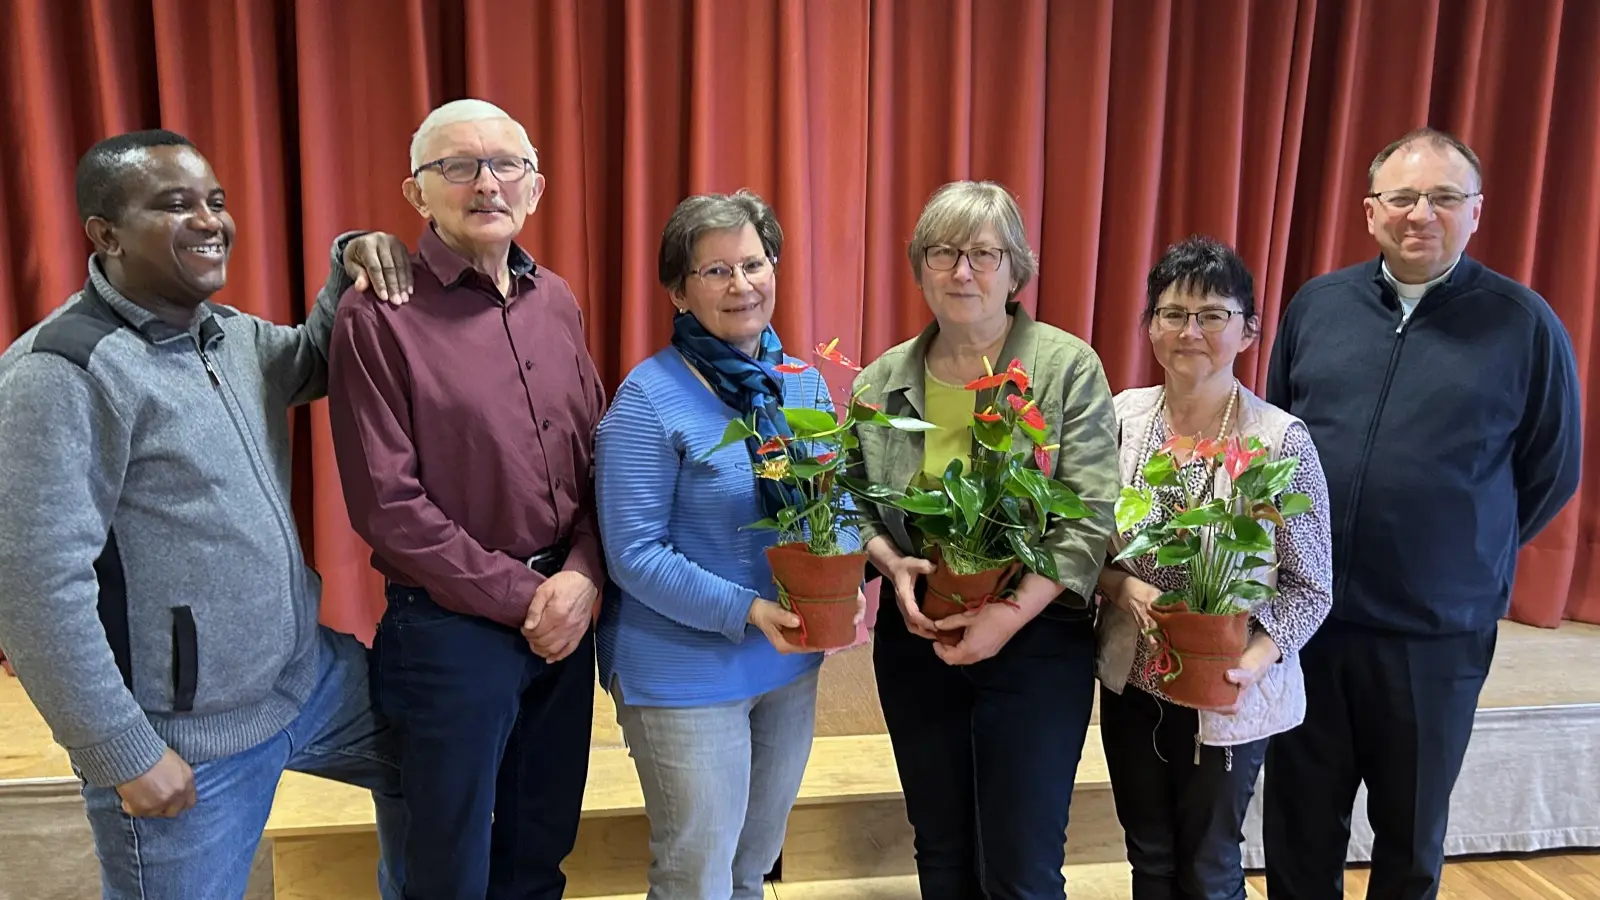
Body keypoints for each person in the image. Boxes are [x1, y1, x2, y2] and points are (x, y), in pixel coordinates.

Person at [0, 128, 414, 899]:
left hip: (307, 683)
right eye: (175, 204)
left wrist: (354, 254)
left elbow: (322, 355)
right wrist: (120, 750)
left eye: (216, 202)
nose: (209, 220)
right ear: (106, 234)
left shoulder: (229, 338)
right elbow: (30, 587)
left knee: (444, 756)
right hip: (181, 737)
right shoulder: (61, 374)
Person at [1263, 127, 1582, 900]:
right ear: (1370, 210)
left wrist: (1462, 553)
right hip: (1311, 624)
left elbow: (1552, 469)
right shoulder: (1317, 306)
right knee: (1298, 829)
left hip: (1435, 637)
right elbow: (1277, 440)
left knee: (1409, 842)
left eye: (1443, 197)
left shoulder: (1524, 323)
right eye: (1403, 197)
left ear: (1476, 212)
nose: (1421, 214)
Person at [326, 98, 606, 900]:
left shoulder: (554, 298)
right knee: (450, 873)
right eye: (457, 167)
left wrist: (583, 575)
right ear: (418, 194)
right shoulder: (375, 314)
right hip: (452, 633)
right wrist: (530, 598)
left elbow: (593, 461)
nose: (485, 184)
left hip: (567, 615)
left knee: (538, 854)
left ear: (535, 187)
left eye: (505, 165)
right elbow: (388, 506)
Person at [850, 180, 1120, 898]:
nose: (961, 271)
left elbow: (1090, 515)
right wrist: (890, 564)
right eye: (942, 253)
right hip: (917, 637)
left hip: (1036, 639)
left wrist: (1006, 615)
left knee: (1023, 867)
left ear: (1016, 269)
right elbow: (853, 503)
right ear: (919, 266)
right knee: (940, 853)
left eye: (982, 253)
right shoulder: (881, 383)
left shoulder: (1064, 370)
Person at [593, 190, 864, 899]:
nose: (741, 285)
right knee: (696, 877)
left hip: (786, 664)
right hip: (683, 674)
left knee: (752, 867)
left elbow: (833, 505)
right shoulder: (647, 400)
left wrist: (848, 584)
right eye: (715, 272)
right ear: (679, 293)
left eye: (753, 263)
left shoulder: (801, 384)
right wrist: (748, 610)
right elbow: (634, 555)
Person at [1094, 237, 1333, 900]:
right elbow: (1085, 546)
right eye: (1172, 314)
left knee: (1208, 867)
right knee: (1149, 857)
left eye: (1212, 315)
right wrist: (1118, 583)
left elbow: (1311, 587)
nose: (1189, 331)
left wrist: (1251, 665)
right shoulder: (1122, 418)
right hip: (1133, 677)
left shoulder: (1280, 440)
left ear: (1249, 330)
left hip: (1229, 687)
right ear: (1149, 327)